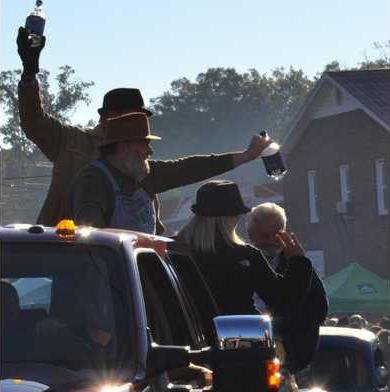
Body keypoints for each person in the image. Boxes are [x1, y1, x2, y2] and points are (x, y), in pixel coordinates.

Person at [16, 27, 271, 234]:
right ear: (110, 118)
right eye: (133, 119)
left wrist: (246, 156)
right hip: (73, 256)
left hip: (131, 262)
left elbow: (189, 168)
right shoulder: (72, 142)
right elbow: (33, 121)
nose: (147, 147)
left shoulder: (140, 165)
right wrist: (29, 71)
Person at [67, 113, 272, 233]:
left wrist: (246, 156)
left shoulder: (145, 172)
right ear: (123, 146)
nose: (150, 151)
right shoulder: (93, 180)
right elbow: (91, 235)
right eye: (144, 143)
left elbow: (192, 168)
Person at [173, 180, 313, 316]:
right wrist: (298, 260)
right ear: (231, 219)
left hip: (177, 337)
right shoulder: (245, 256)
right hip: (238, 336)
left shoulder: (171, 250)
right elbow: (283, 301)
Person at [246, 202, 328, 375]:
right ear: (251, 235)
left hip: (286, 357)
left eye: (275, 235)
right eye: (264, 235)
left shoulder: (298, 266)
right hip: (248, 352)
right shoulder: (243, 263)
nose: (269, 242)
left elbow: (318, 309)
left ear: (283, 233)